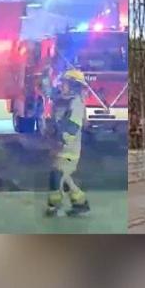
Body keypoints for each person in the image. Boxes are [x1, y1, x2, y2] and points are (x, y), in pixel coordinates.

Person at [45, 69, 91, 217]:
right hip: (60, 148)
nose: (62, 85)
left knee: (56, 175)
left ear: (73, 85)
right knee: (65, 179)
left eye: (65, 83)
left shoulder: (76, 103)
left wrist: (60, 140)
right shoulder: (61, 101)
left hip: (69, 149)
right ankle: (81, 204)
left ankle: (54, 206)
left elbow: (72, 127)